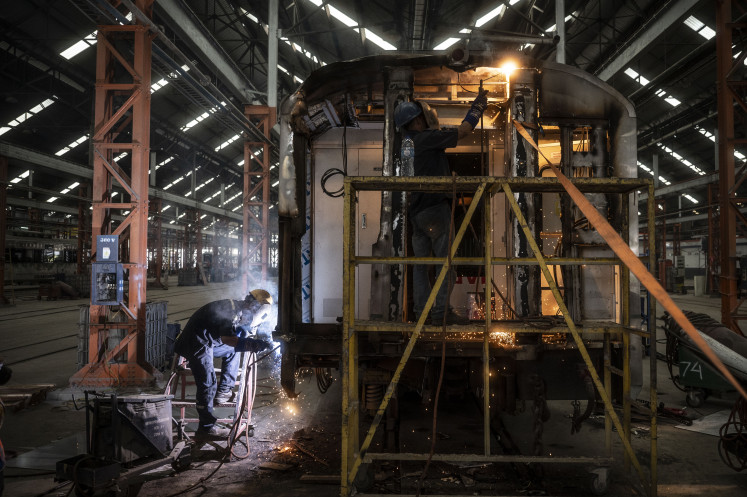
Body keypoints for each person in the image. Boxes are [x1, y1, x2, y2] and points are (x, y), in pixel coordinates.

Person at [394, 89, 489, 325]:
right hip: (435, 210)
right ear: (417, 120)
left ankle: (421, 313)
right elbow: (464, 131)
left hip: (416, 214)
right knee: (444, 263)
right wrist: (477, 108)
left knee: (419, 265)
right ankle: (440, 313)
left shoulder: (405, 145)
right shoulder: (426, 138)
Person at [174, 289, 273, 440]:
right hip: (194, 343)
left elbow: (232, 337)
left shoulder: (237, 309)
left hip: (207, 341)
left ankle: (224, 392)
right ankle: (206, 428)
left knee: (233, 350)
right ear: (251, 304)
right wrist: (251, 343)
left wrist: (246, 337)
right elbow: (229, 339)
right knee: (208, 383)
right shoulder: (230, 311)